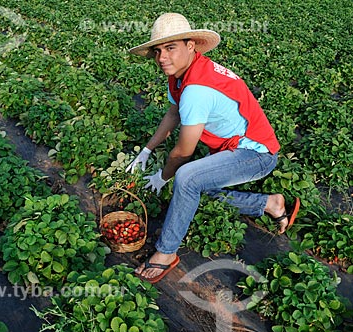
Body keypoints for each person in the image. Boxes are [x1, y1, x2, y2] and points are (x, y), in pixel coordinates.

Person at [126, 13, 300, 284]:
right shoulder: (184, 74)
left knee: (187, 178)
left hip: (256, 155)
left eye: (170, 48)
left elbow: (184, 152)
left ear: (190, 46)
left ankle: (165, 253)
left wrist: (164, 176)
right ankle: (270, 203)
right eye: (158, 50)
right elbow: (173, 115)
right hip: (231, 149)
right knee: (194, 191)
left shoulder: (197, 89)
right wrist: (147, 150)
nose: (162, 57)